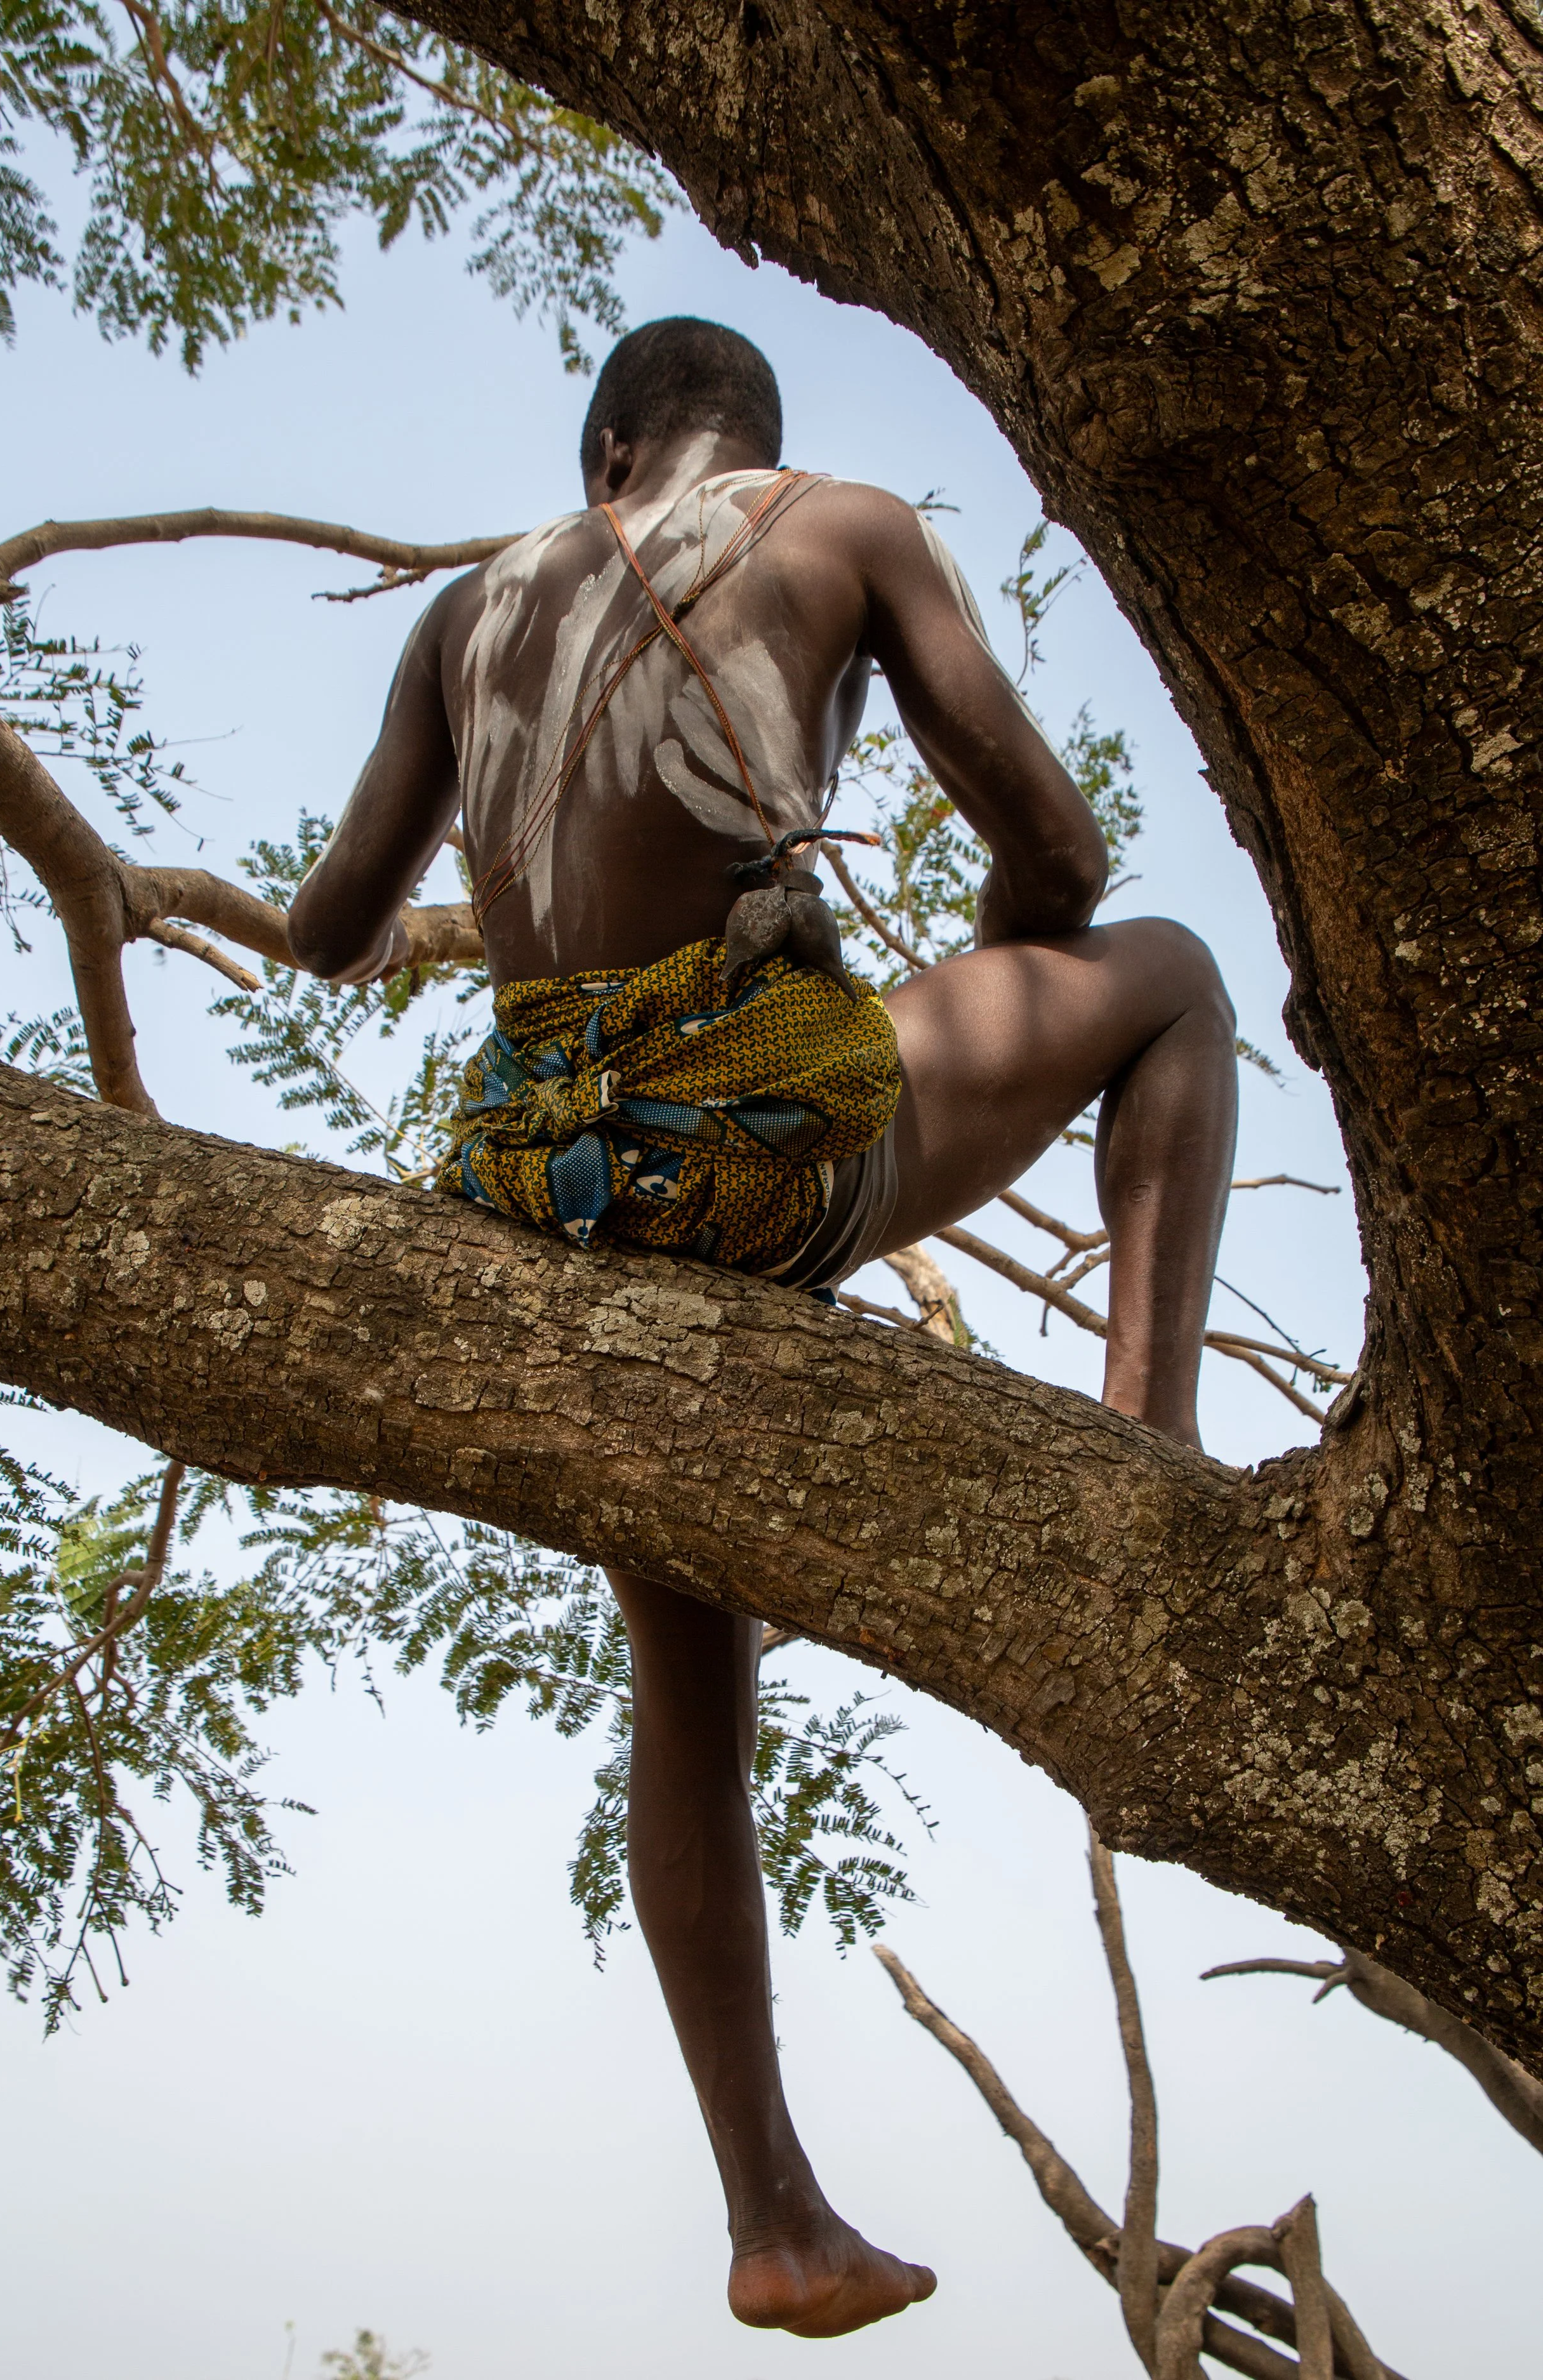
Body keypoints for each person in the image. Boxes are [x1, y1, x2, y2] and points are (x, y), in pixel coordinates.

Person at [288, 317, 1237, 2338]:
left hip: (551, 1198)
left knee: (685, 1683)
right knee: (1163, 975)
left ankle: (772, 2214)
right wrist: (974, 977)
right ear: (732, 443)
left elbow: (323, 921)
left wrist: (384, 923)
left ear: (609, 445)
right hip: (748, 1154)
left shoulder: (466, 609)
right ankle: (1140, 1468)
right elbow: (1064, 857)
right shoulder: (842, 525)